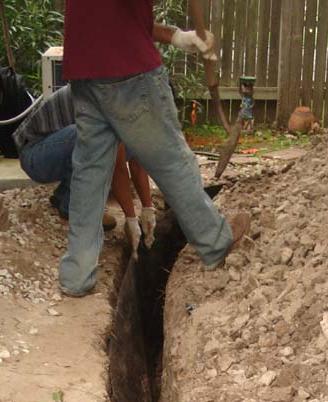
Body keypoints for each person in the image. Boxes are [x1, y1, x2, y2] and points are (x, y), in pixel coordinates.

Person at [60, 2, 249, 297]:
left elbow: (115, 16)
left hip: (85, 71)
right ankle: (215, 242)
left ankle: (76, 276)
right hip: (130, 71)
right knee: (172, 161)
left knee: (89, 176)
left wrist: (175, 36)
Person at [13, 83, 154, 248]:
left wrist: (147, 208)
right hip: (34, 155)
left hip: (53, 148)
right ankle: (74, 207)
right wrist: (130, 218)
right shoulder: (111, 102)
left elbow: (138, 163)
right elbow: (119, 169)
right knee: (93, 139)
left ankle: (65, 194)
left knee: (123, 145)